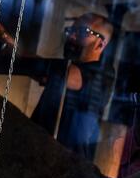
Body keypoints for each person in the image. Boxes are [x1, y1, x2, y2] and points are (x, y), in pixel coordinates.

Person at [30, 14, 115, 160]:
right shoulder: (64, 70)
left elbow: (63, 74)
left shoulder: (103, 72)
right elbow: (40, 71)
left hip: (68, 164)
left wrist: (7, 43)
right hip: (39, 152)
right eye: (71, 31)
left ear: (100, 44)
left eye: (82, 32)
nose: (72, 37)